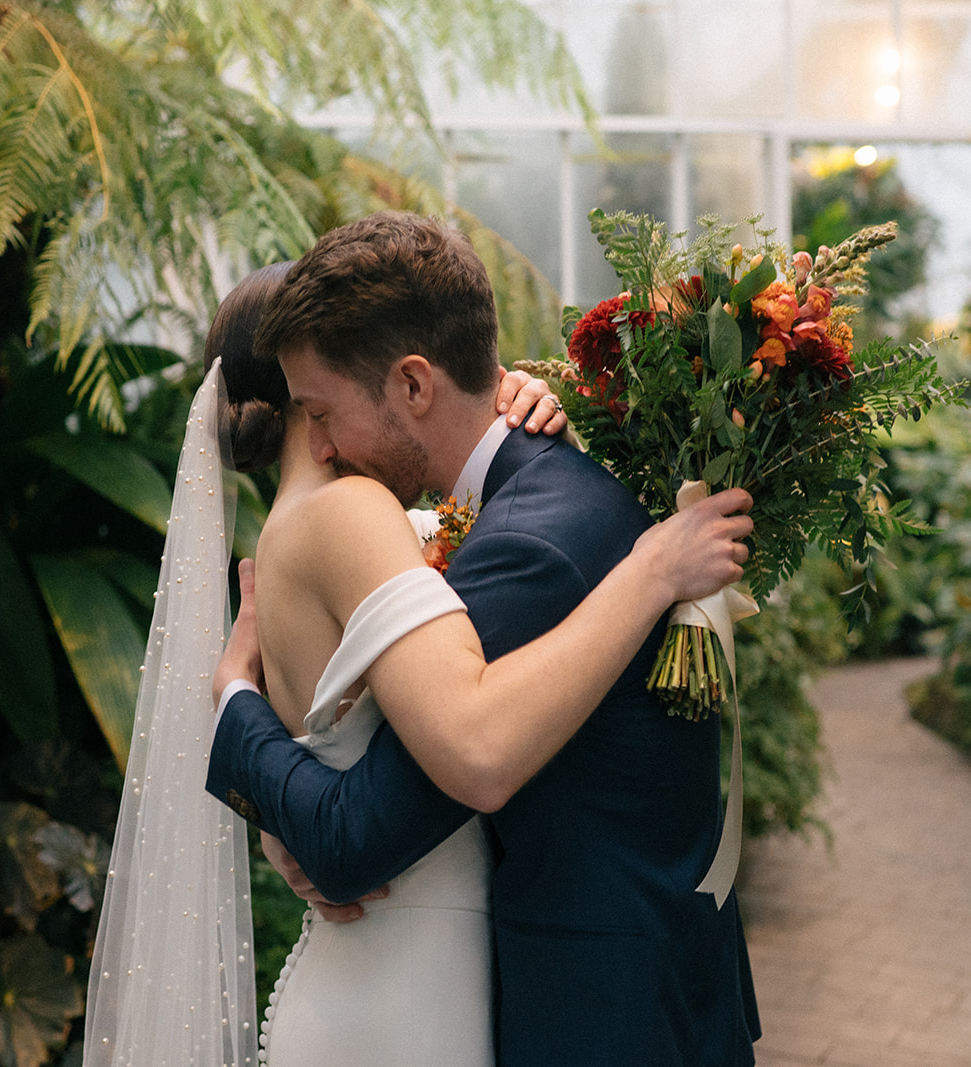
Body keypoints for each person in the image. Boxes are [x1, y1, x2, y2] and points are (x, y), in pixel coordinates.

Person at [82, 256, 750, 1067]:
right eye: (308, 413)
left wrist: (236, 705)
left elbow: (372, 820)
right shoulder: (425, 514)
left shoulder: (505, 529)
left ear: (412, 383)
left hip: (597, 1008)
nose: (322, 440)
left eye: (323, 406)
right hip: (501, 991)